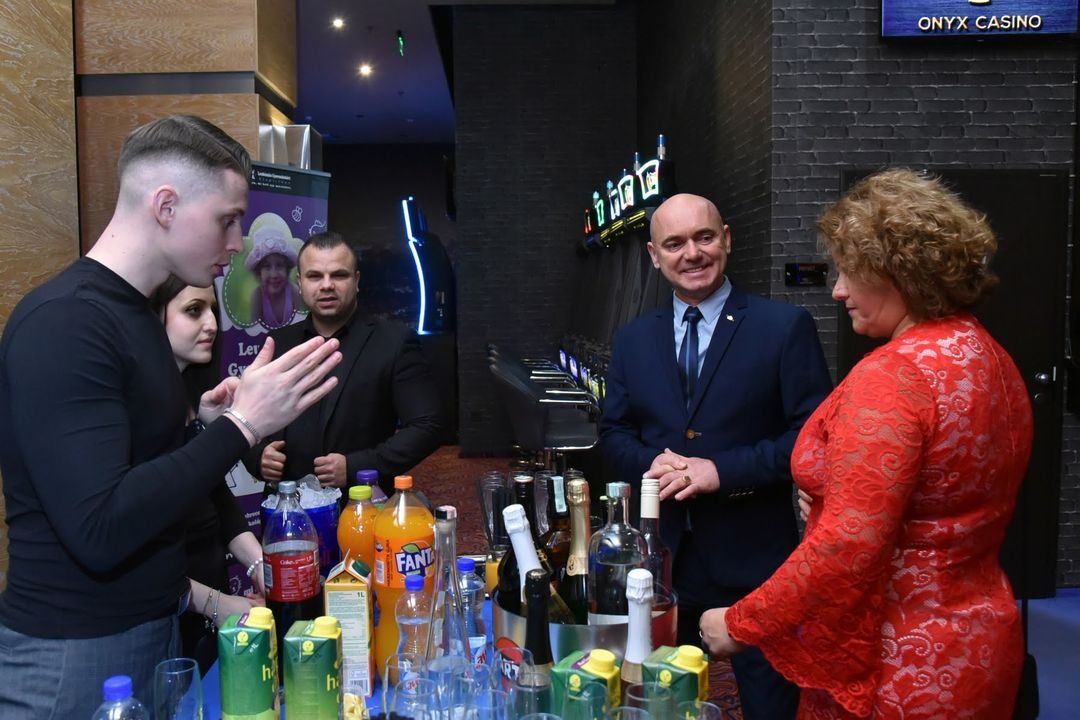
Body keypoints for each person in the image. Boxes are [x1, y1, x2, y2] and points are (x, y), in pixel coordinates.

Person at [0, 115, 343, 718]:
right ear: (165, 206)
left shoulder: (135, 316)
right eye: (227, 219)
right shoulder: (67, 321)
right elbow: (100, 528)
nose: (237, 243)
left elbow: (145, 473)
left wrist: (202, 429)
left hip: (154, 629)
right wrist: (241, 427)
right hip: (77, 653)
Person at [700, 168, 1035, 719]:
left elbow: (847, 546)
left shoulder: (893, 376)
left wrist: (740, 623)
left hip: (897, 658)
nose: (837, 290)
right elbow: (940, 492)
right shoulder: (989, 354)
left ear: (897, 272)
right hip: (982, 640)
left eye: (848, 272)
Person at [599, 193, 833, 719]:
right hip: (663, 559)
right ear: (654, 256)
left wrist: (720, 471)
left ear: (726, 239)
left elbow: (814, 439)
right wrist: (653, 465)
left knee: (771, 708)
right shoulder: (632, 340)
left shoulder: (782, 328)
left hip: (757, 561)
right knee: (660, 701)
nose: (692, 253)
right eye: (674, 243)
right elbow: (613, 434)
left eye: (703, 237)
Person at [245, 231, 443, 499]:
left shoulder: (394, 341)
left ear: (356, 281)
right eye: (315, 276)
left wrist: (358, 467)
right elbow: (246, 418)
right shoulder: (277, 344)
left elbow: (428, 425)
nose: (327, 285)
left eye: (339, 275)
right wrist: (258, 457)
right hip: (286, 508)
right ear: (300, 283)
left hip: (363, 505)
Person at [151, 277, 265, 675]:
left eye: (213, 310)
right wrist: (218, 604)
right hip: (165, 614)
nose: (212, 324)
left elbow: (214, 496)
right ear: (154, 317)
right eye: (193, 311)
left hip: (206, 598)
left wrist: (260, 565)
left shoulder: (192, 398)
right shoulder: (143, 412)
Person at [246, 218, 301, 328]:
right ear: (259, 272)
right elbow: (254, 330)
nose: (274, 274)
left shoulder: (293, 292)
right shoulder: (258, 296)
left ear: (287, 269)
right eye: (267, 267)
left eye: (279, 266)